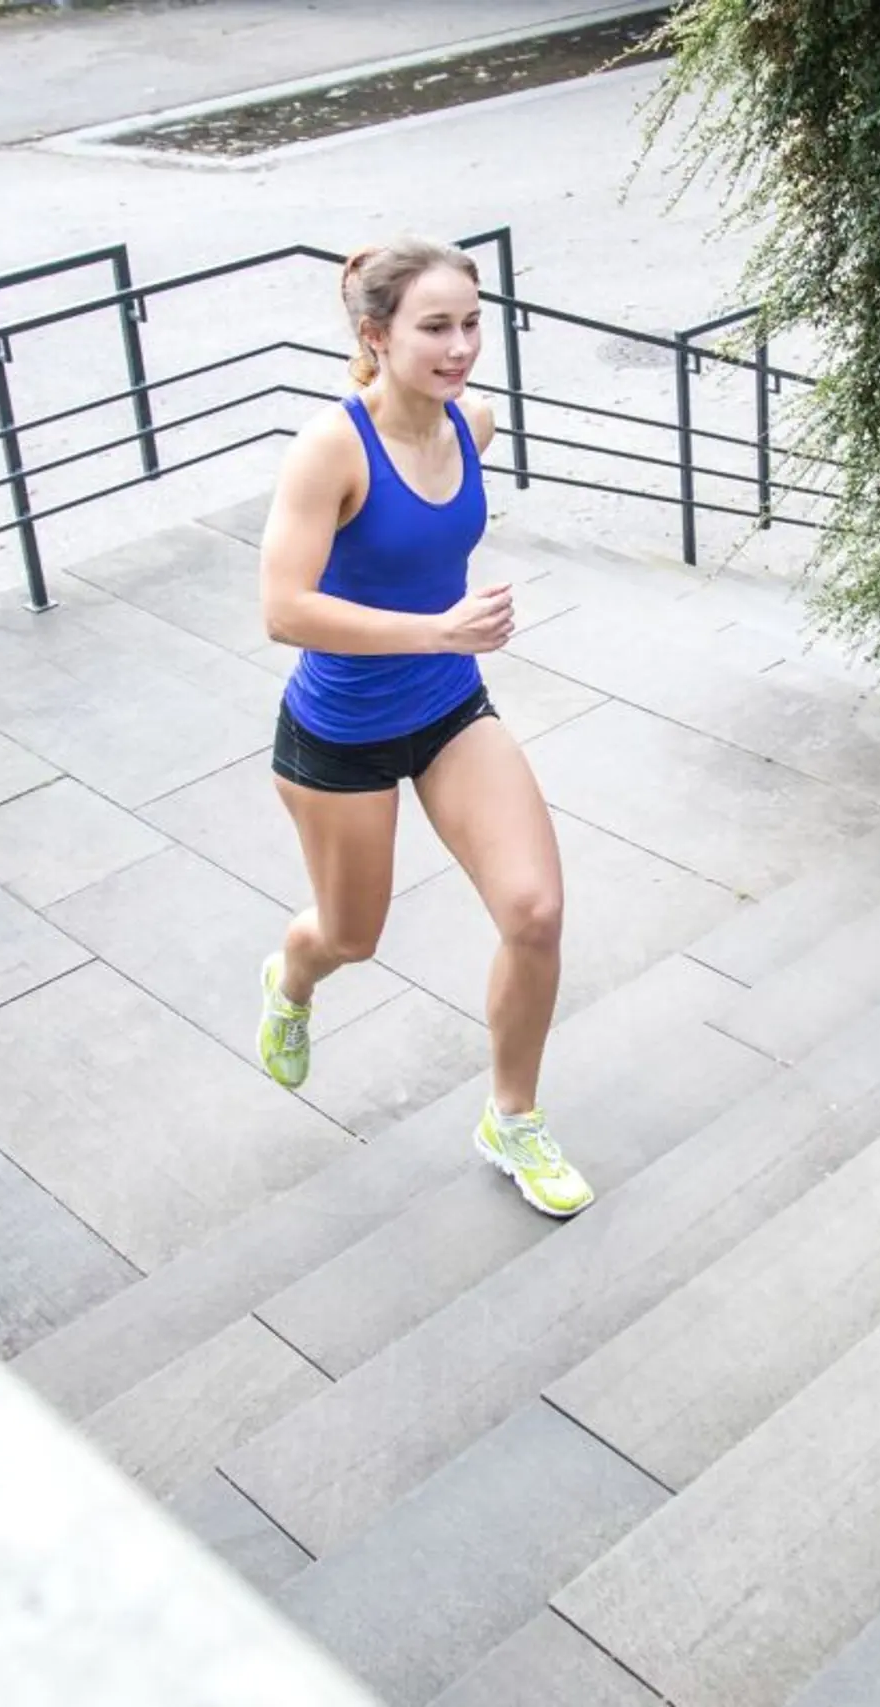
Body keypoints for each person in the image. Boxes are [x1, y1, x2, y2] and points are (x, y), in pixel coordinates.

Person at [250, 235, 591, 1219]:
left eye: (472, 323)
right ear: (375, 335)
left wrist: (442, 648)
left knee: (534, 913)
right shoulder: (331, 448)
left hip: (447, 709)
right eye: (434, 327)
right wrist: (434, 628)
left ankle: (511, 1119)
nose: (460, 348)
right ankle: (290, 974)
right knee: (350, 937)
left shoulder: (469, 423)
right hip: (339, 738)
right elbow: (283, 608)